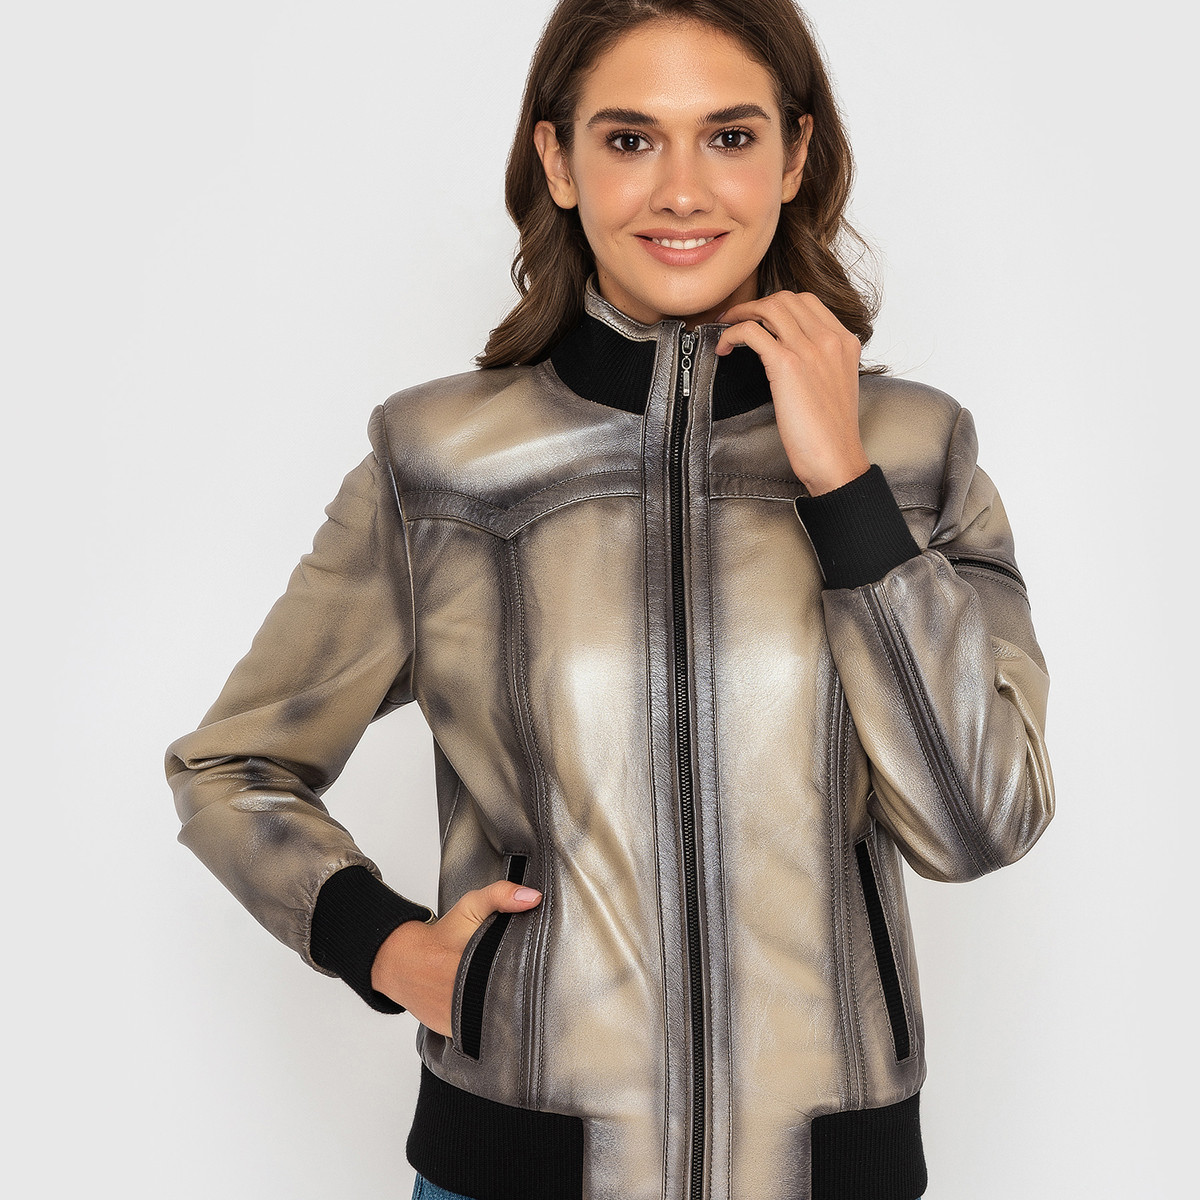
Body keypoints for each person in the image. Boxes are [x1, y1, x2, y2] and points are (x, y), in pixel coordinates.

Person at [165, 1, 1054, 1198]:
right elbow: (232, 766)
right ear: (558, 160)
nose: (682, 190)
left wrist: (842, 484)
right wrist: (384, 946)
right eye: (630, 139)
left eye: (729, 137)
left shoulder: (915, 454)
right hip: (518, 1166)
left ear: (795, 154)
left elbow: (980, 822)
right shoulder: (439, 463)